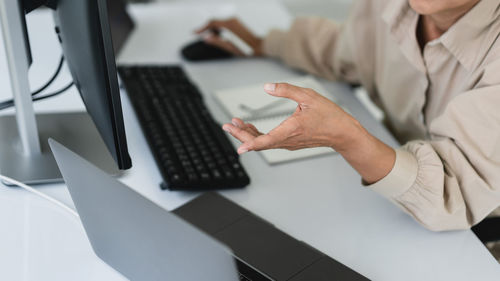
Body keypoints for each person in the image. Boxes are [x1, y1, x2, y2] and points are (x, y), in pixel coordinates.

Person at [197, 0, 500, 259]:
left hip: (476, 237)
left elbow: (453, 193)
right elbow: (349, 50)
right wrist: (262, 43)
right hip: (402, 211)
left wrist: (347, 138)